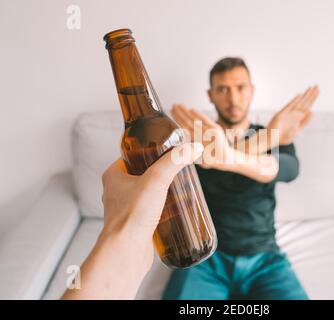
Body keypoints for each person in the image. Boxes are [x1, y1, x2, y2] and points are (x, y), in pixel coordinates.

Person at [163, 57, 319, 300]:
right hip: (206, 257)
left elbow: (284, 169)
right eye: (223, 89)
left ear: (252, 91)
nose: (233, 99)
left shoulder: (274, 136)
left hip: (265, 259)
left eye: (240, 87)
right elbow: (174, 179)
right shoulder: (198, 138)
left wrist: (239, 151)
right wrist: (267, 139)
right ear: (210, 95)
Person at [61, 142, 205, 300]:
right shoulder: (197, 134)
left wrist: (233, 161)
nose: (233, 114)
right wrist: (129, 240)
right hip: (206, 265)